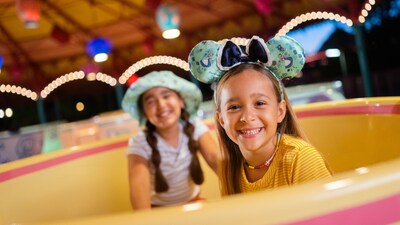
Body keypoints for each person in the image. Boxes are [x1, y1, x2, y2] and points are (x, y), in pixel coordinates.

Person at [188, 35, 332, 195]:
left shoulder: (301, 158)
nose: (247, 117)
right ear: (221, 119)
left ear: (280, 111)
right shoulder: (232, 168)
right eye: (234, 107)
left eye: (260, 103)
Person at [121, 70, 219, 210]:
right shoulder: (140, 142)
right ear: (144, 112)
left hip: (193, 203)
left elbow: (217, 160)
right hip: (159, 210)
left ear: (181, 101)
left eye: (166, 96)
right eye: (151, 101)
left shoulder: (194, 127)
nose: (161, 105)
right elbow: (138, 188)